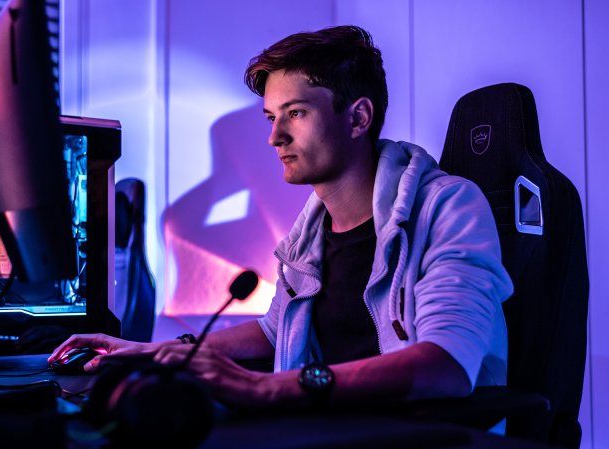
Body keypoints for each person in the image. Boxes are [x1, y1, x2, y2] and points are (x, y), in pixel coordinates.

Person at [48, 25, 513, 410]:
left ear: (358, 119)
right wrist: (153, 354)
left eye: (295, 113)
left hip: (422, 433)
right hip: (333, 427)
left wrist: (261, 387)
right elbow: (275, 331)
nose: (274, 137)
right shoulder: (308, 234)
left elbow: (445, 365)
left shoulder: (447, 208)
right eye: (271, 116)